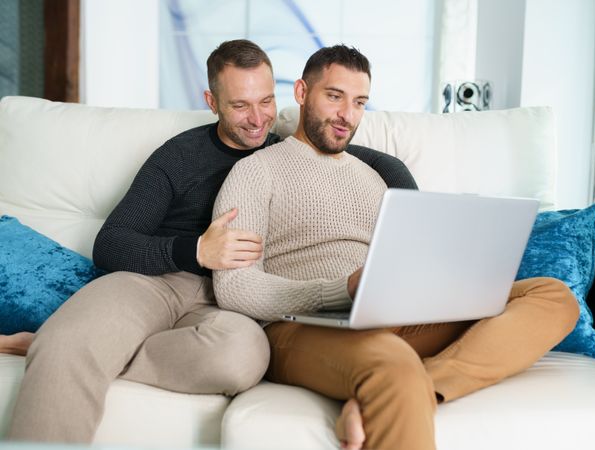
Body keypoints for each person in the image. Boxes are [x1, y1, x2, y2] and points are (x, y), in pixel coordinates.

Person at [7, 39, 414, 443]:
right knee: (69, 347)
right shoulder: (179, 156)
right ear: (212, 101)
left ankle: (96, 352)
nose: (257, 120)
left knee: (242, 358)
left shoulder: (281, 150)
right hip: (157, 280)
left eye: (266, 102)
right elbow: (111, 243)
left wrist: (400, 184)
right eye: (240, 106)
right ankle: (73, 349)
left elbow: (341, 145)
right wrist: (196, 250)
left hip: (227, 298)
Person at [210, 44, 580, 450]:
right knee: (392, 362)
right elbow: (234, 287)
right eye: (334, 96)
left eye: (359, 102)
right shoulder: (255, 171)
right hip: (299, 327)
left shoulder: (375, 178)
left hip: (387, 315)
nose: (346, 115)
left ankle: (425, 384)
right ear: (301, 92)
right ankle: (403, 381)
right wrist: (339, 289)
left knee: (553, 296)